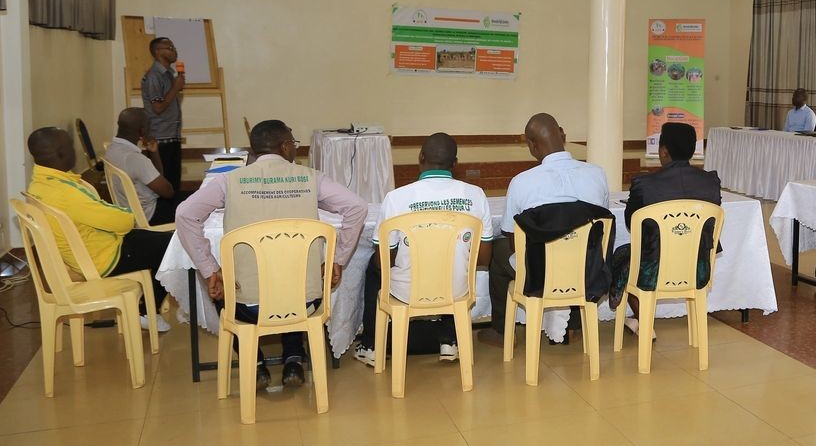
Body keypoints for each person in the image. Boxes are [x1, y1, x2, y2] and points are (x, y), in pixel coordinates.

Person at [176, 120, 368, 390]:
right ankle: (294, 359)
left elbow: (185, 214)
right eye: (294, 144)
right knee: (291, 282)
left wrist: (211, 270)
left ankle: (255, 365)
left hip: (247, 306)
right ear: (286, 146)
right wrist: (338, 259)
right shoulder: (311, 178)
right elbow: (357, 207)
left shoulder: (228, 182)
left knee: (224, 288)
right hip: (306, 302)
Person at [354, 133, 492, 367]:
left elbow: (383, 260)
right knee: (451, 265)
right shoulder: (475, 195)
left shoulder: (396, 198)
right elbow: (484, 258)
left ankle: (371, 345)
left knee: (373, 267)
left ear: (420, 157)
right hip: (456, 290)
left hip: (407, 292)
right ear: (455, 163)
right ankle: (449, 341)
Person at [26, 126, 172, 334]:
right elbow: (123, 222)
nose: (74, 150)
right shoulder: (66, 194)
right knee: (173, 247)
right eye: (71, 146)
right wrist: (124, 215)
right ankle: (147, 312)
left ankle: (150, 308)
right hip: (103, 258)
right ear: (62, 153)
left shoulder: (40, 184)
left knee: (160, 241)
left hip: (90, 250)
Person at [485, 113, 610, 344]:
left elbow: (513, 240)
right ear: (563, 135)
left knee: (498, 250)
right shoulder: (597, 174)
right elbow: (600, 225)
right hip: (585, 267)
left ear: (532, 145)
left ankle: (502, 331)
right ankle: (573, 326)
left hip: (540, 272)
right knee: (578, 249)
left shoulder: (522, 182)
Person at [608, 123, 721, 335]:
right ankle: (641, 322)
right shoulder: (710, 181)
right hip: (697, 268)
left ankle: (644, 322)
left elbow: (632, 222)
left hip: (653, 271)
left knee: (623, 255)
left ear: (663, 151)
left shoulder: (644, 184)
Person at [103, 107, 177, 225]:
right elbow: (168, 192)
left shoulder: (111, 150)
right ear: (142, 131)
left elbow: (159, 177)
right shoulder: (135, 159)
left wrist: (154, 152)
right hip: (149, 215)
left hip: (129, 213)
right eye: (149, 126)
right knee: (198, 204)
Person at [141, 36, 185, 196]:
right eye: (170, 48)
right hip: (160, 140)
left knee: (174, 184)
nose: (174, 51)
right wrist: (176, 88)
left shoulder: (168, 74)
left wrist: (175, 86)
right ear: (158, 52)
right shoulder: (154, 76)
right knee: (164, 186)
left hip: (172, 136)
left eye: (174, 47)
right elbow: (158, 108)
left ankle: (173, 210)